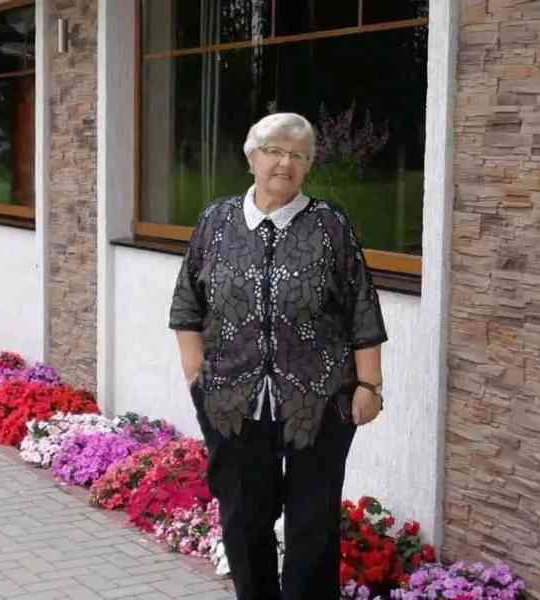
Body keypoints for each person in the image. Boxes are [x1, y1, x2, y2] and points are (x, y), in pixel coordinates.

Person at [169, 112, 387, 600]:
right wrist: (197, 375)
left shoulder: (330, 225)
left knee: (313, 521)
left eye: (298, 155)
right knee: (244, 516)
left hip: (321, 399)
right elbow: (187, 303)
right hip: (232, 399)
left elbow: (361, 306)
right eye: (274, 151)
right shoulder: (216, 221)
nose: (285, 163)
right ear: (252, 158)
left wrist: (370, 385)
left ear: (308, 166)